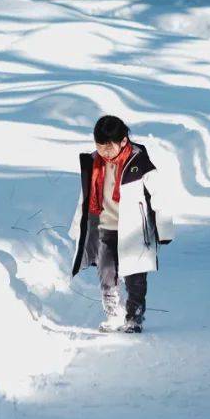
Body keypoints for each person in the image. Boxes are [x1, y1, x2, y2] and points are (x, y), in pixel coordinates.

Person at [69, 114, 174, 333]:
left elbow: (160, 197)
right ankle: (113, 314)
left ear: (123, 141)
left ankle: (134, 317)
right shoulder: (94, 162)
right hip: (105, 228)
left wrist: (164, 230)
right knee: (107, 274)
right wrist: (77, 228)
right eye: (100, 146)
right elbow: (85, 198)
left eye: (109, 147)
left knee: (135, 277)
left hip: (134, 231)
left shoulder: (139, 162)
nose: (104, 152)